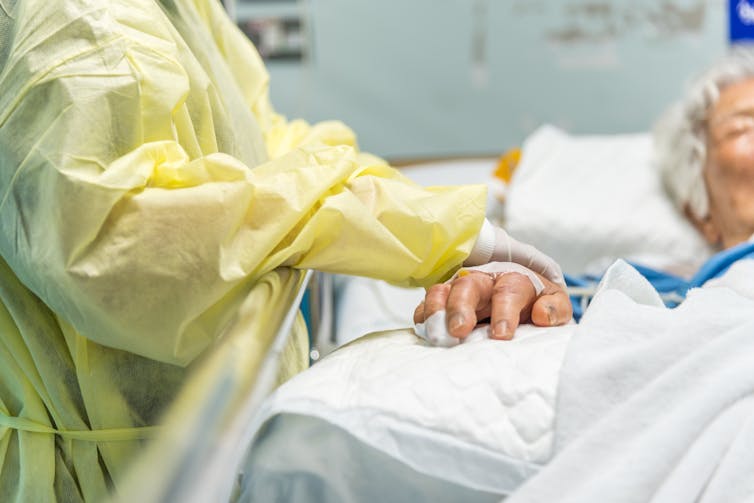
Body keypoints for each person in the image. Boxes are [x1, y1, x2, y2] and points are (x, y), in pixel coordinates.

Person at [0, 0, 572, 501]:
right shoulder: (74, 24)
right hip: (98, 477)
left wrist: (449, 232)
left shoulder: (178, 9)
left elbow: (273, 147)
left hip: (224, 436)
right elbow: (119, 254)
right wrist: (421, 230)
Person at [415, 46, 754, 340]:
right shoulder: (647, 290)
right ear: (701, 212)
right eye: (743, 126)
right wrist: (514, 289)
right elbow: (557, 298)